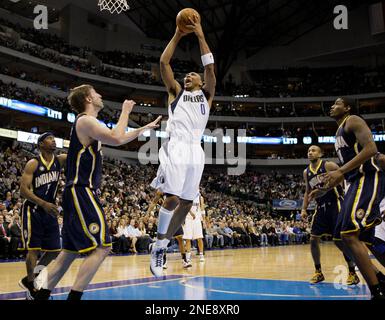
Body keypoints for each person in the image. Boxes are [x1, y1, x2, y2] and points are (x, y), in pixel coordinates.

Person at [34, 84, 161, 300]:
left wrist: (142, 129)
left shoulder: (87, 123)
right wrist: (126, 112)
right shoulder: (85, 120)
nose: (100, 95)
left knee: (68, 254)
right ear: (89, 99)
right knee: (102, 247)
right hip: (81, 190)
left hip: (76, 192)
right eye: (96, 93)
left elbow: (118, 137)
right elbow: (117, 138)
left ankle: (39, 295)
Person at [149, 14, 216, 276]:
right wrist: (178, 33)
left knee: (187, 202)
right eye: (186, 75)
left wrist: (200, 34)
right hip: (175, 145)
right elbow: (164, 62)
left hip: (195, 150)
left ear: (199, 82)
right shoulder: (176, 92)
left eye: (192, 74)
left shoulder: (207, 95)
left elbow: (210, 68)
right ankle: (158, 242)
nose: (188, 76)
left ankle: (163, 244)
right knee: (173, 198)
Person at [323, 97, 385, 299]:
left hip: (367, 178)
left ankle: (377, 291)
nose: (333, 106)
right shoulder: (338, 132)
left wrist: (340, 171)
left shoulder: (353, 120)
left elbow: (371, 149)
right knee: (340, 237)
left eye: (337, 103)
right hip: (353, 182)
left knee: (350, 234)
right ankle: (377, 277)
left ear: (347, 107)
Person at [301, 145, 359, 285]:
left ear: (320, 154)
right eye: (308, 151)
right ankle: (318, 272)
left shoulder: (329, 165)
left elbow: (343, 176)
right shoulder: (306, 172)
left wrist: (326, 189)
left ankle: (352, 272)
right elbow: (307, 191)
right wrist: (304, 209)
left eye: (313, 150)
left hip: (336, 204)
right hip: (320, 208)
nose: (310, 152)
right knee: (313, 239)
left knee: (339, 241)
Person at [19, 132, 67, 299]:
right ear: (40, 144)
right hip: (33, 210)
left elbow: (77, 154)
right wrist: (43, 203)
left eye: (54, 138)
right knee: (34, 249)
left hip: (50, 211)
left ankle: (30, 279)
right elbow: (23, 190)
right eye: (49, 138)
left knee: (54, 251)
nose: (53, 140)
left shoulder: (59, 160)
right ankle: (32, 286)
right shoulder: (33, 163)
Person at [183, 194, 206, 264]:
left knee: (199, 238)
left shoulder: (200, 197)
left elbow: (202, 209)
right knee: (188, 239)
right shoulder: (187, 195)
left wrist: (204, 220)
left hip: (197, 219)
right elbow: (185, 206)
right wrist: (191, 212)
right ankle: (188, 257)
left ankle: (201, 254)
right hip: (188, 219)